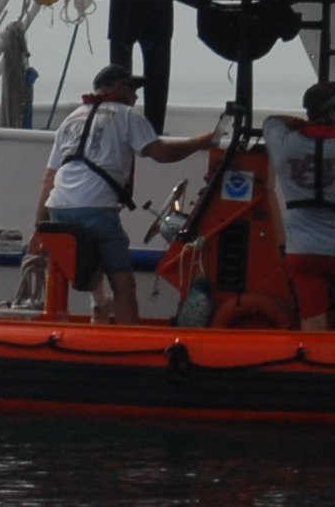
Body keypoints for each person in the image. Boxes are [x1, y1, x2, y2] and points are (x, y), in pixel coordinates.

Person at [33, 66, 219, 322]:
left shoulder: (70, 119)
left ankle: (99, 307)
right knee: (123, 284)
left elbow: (49, 179)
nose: (136, 96)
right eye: (132, 88)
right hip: (96, 210)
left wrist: (39, 228)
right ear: (118, 88)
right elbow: (162, 154)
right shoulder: (128, 116)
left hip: (59, 208)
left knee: (89, 251)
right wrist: (201, 141)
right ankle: (126, 331)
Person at [262, 80, 335, 330]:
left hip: (304, 252)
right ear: (334, 113)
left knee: (312, 320)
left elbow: (271, 121)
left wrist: (300, 124)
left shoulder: (285, 146)